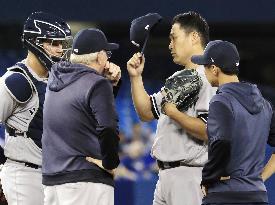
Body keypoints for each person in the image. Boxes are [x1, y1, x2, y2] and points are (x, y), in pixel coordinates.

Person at [127, 11, 216, 205]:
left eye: (174, 38)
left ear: (194, 37)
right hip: (166, 176)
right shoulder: (179, 78)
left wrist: (174, 113)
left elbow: (209, 130)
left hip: (189, 175)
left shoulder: (208, 76)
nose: (170, 45)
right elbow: (146, 113)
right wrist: (136, 77)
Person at [42, 28, 121, 205]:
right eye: (106, 53)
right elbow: (107, 126)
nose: (108, 58)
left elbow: (83, 113)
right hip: (85, 180)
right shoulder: (97, 84)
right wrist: (110, 163)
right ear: (100, 56)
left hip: (52, 182)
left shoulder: (56, 77)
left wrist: (111, 86)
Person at [0, 11, 72, 205]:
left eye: (61, 44)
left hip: (53, 175)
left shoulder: (56, 79)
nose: (59, 49)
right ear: (35, 42)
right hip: (24, 175)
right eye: (54, 43)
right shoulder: (17, 81)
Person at [191, 40, 275, 205]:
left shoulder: (221, 101)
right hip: (257, 196)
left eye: (205, 66)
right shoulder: (265, 104)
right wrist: (261, 177)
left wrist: (209, 178)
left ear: (214, 69)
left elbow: (221, 141)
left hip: (225, 195)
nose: (204, 70)